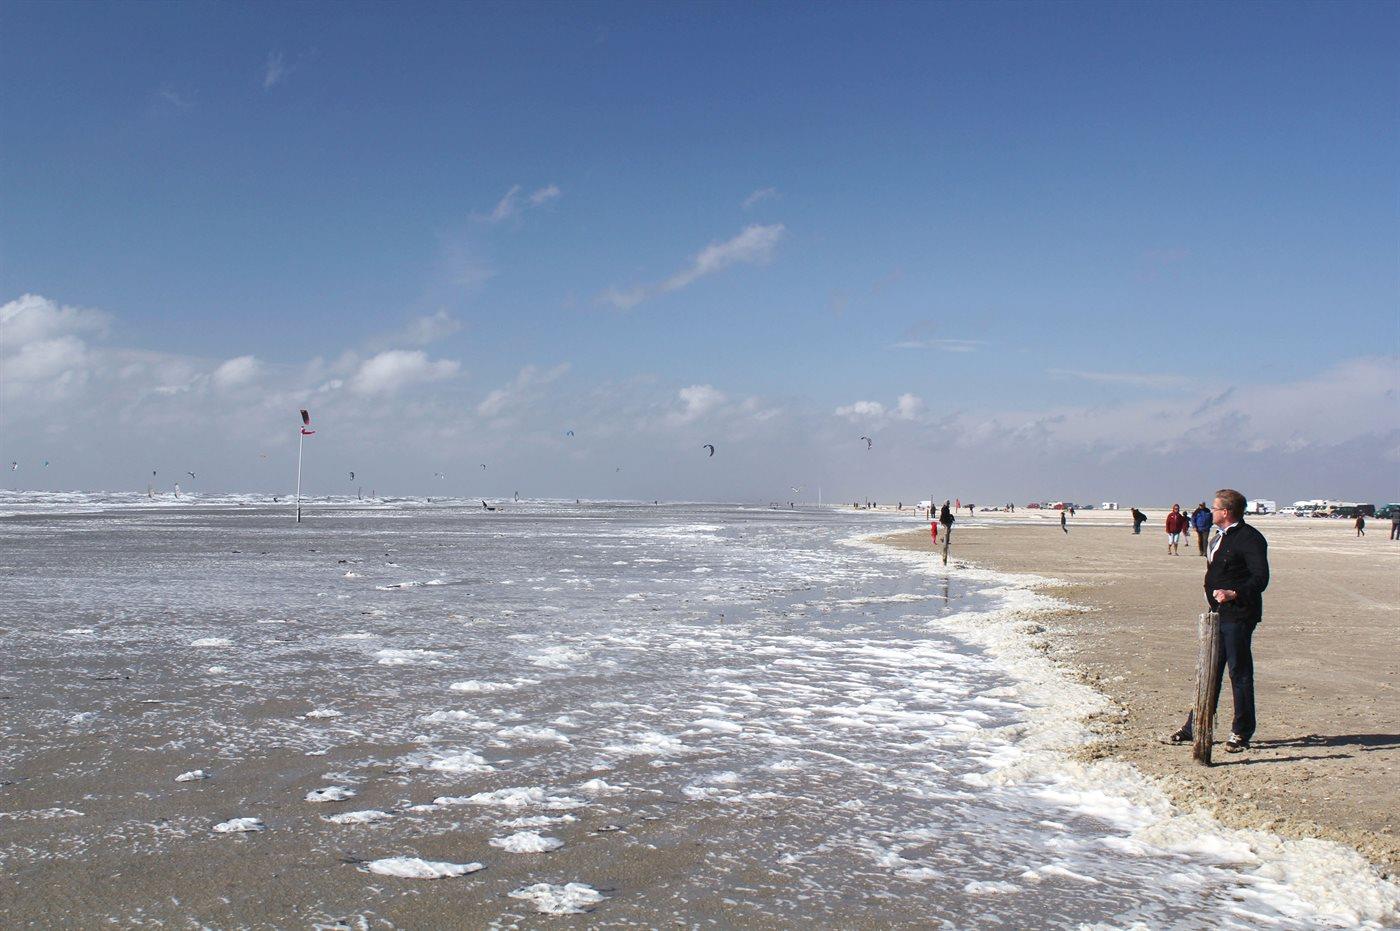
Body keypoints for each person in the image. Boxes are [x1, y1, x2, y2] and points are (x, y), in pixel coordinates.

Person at [1170, 488, 1270, 753]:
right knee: (1209, 670)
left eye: (1214, 508)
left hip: (1239, 615)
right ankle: (1195, 725)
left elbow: (1260, 578)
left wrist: (1234, 593)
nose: (1210, 512)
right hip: (1216, 615)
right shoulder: (1217, 538)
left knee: (1239, 671)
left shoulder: (1250, 538)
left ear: (1226, 512)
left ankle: (1241, 731)